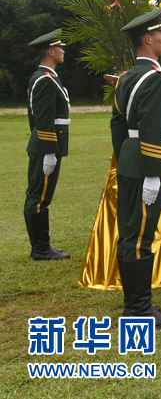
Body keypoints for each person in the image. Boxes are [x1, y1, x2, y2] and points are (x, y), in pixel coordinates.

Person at [111, 8, 161, 327]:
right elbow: (151, 128)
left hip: (130, 159)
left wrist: (125, 154)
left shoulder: (126, 77)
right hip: (146, 162)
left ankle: (134, 304)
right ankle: (138, 310)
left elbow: (117, 123)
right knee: (139, 235)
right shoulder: (153, 78)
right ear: (148, 38)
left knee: (130, 232)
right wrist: (152, 172)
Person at [23, 29, 71, 261]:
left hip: (45, 146)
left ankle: (42, 246)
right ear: (51, 51)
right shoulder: (44, 79)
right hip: (45, 148)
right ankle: (40, 249)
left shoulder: (48, 77)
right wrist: (50, 151)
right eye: (60, 47)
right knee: (38, 196)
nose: (63, 51)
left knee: (41, 195)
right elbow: (41, 120)